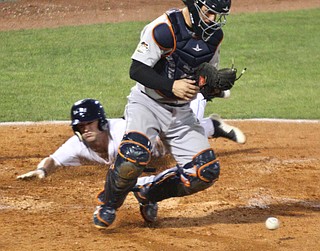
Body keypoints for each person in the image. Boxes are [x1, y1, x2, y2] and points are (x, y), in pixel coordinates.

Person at [93, 0, 239, 229]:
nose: (212, 20)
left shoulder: (213, 38)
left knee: (205, 171)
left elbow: (202, 79)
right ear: (194, 6)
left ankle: (148, 192)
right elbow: (137, 69)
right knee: (133, 155)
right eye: (208, 12)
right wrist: (172, 86)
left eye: (217, 15)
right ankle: (108, 204)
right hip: (147, 104)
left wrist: (213, 86)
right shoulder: (163, 29)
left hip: (181, 112)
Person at [17, 97, 245, 180]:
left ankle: (204, 92)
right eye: (80, 126)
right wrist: (41, 171)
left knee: (181, 126)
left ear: (102, 122)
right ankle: (213, 126)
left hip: (156, 137)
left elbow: (148, 132)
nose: (85, 129)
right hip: (151, 157)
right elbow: (54, 160)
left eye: (89, 123)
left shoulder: (123, 129)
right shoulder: (77, 145)